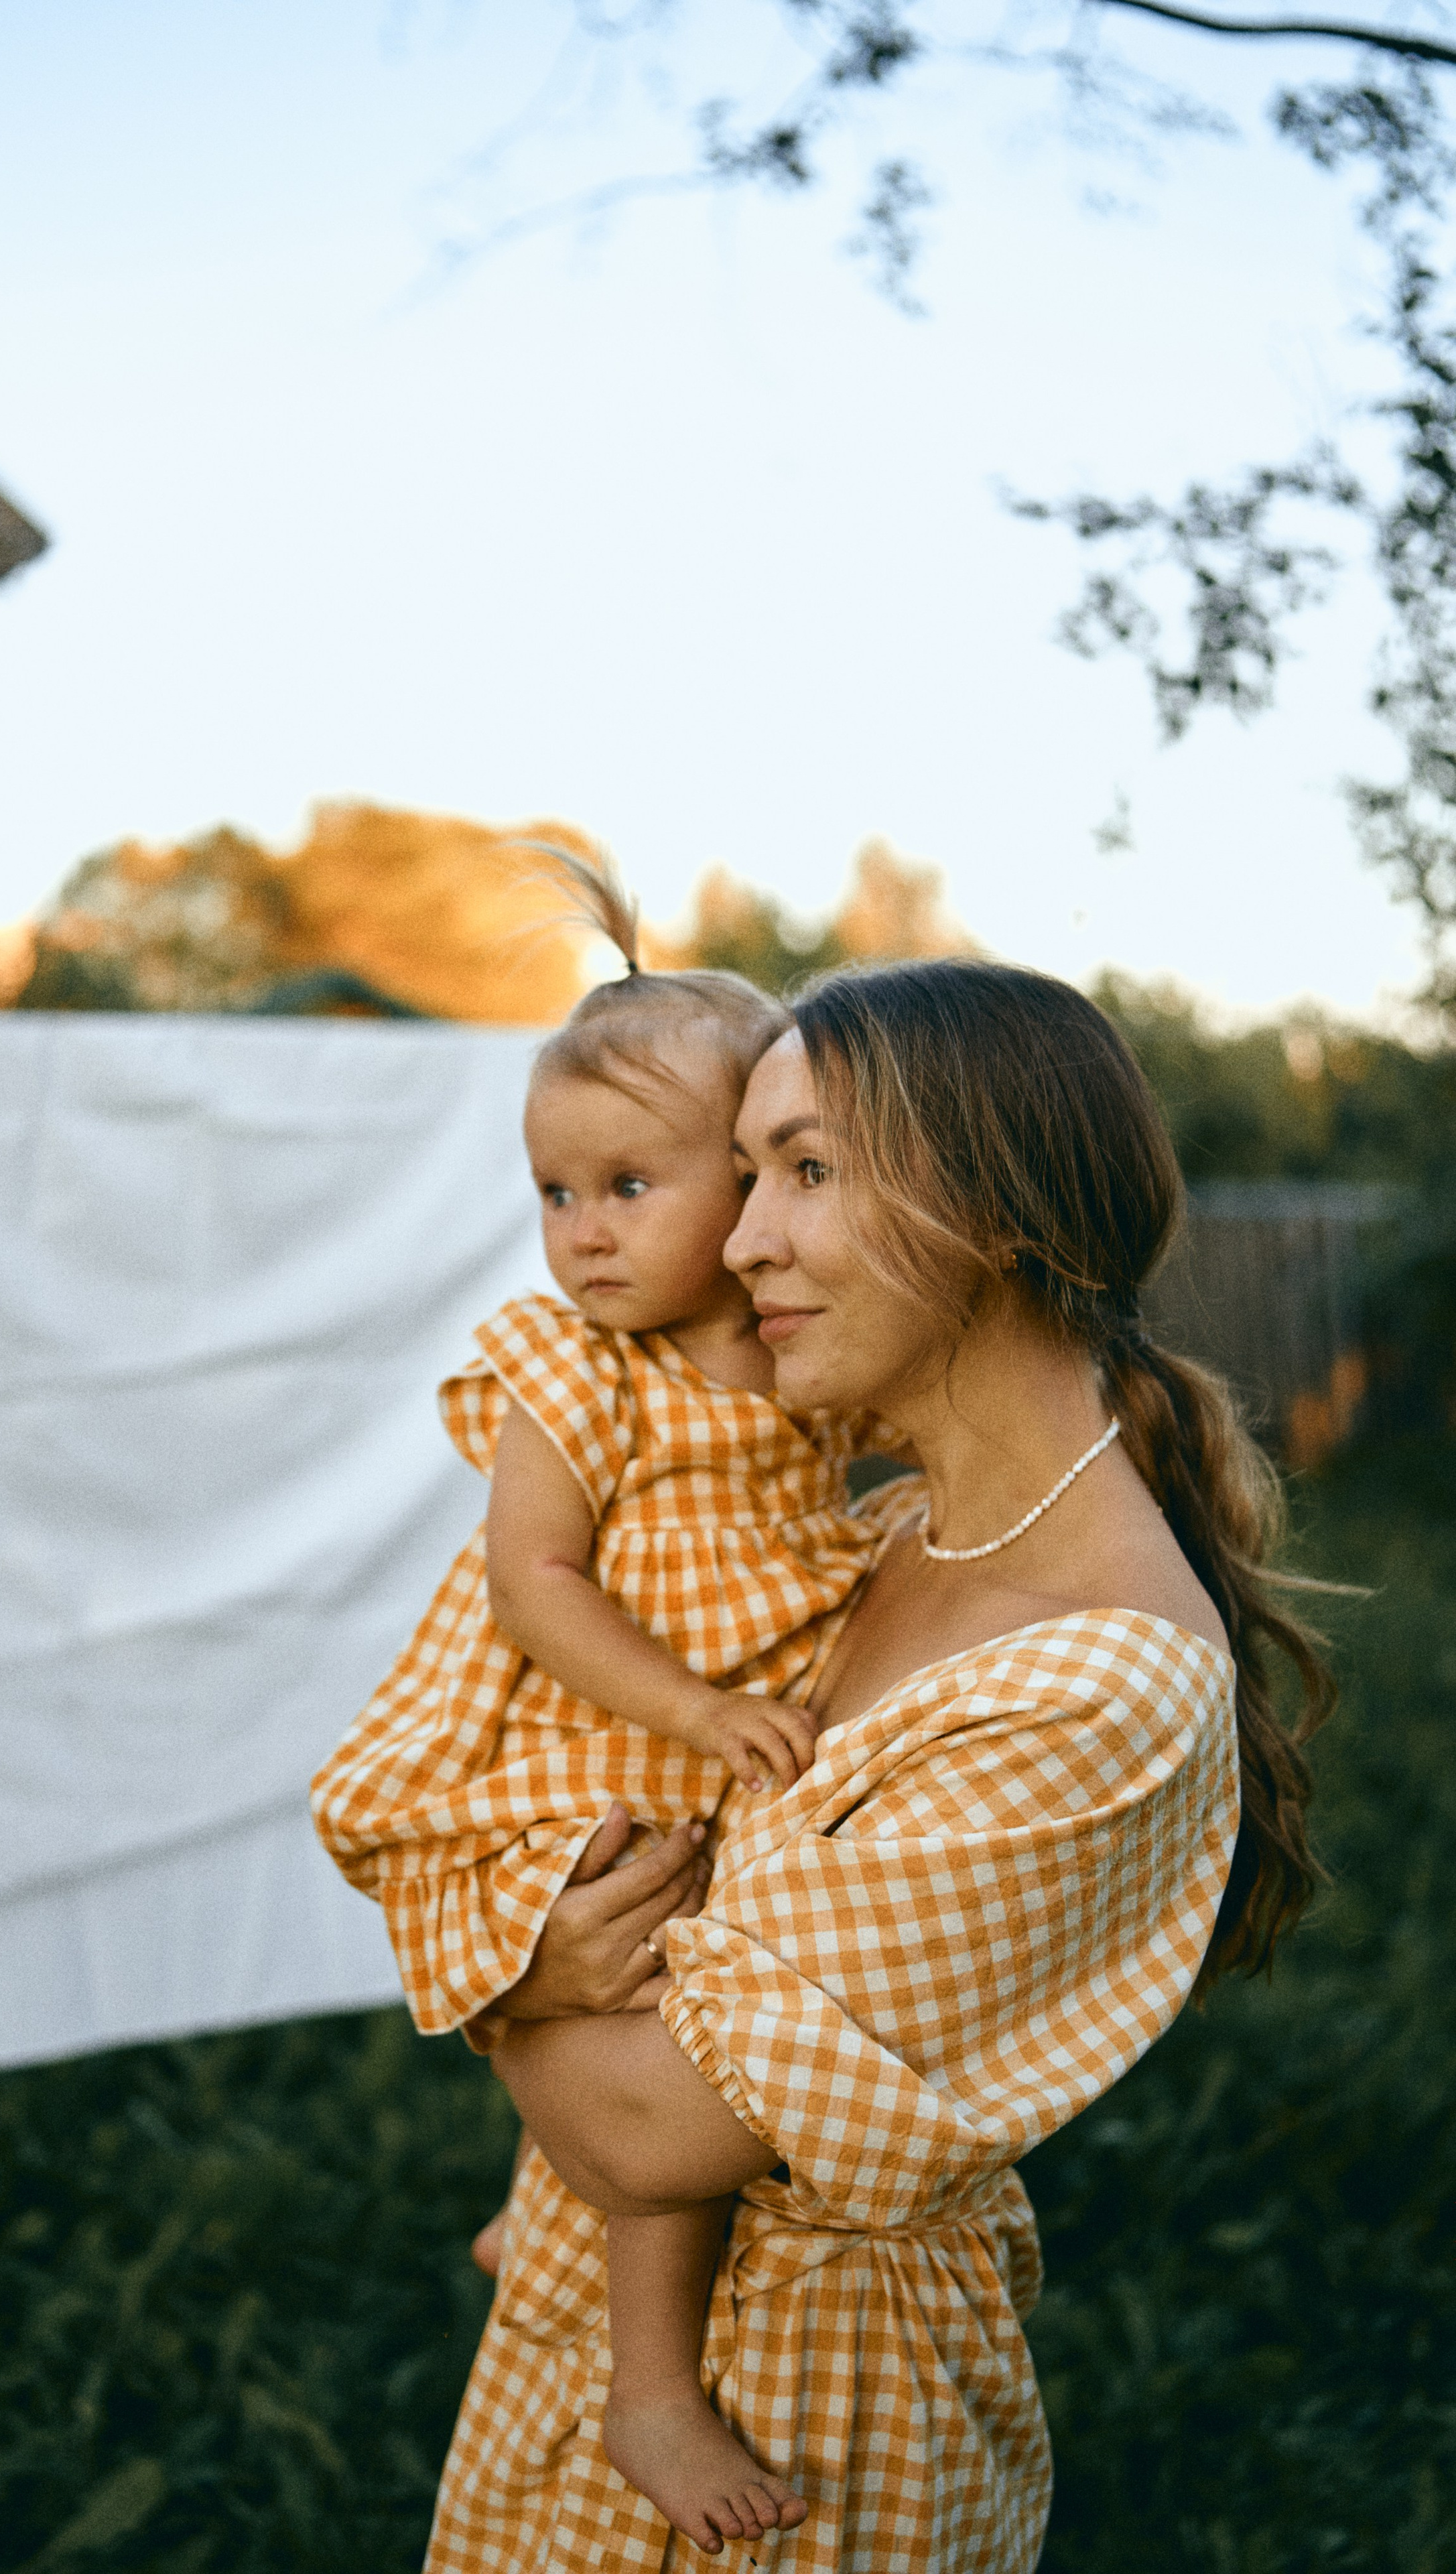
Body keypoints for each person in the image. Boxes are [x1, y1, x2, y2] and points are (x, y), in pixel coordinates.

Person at [420, 958, 1331, 2573]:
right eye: (749, 1167)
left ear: (992, 1210)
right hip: (573, 2375)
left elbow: (644, 2131)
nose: (743, 1236)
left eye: (810, 1170)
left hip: (805, 2444)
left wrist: (483, 1939)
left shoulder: (1096, 1684)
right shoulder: (885, 1541)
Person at [310, 861, 893, 2549]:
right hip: (585, 1752)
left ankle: (534, 2199)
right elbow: (537, 1584)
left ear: (756, 1178)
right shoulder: (570, 1371)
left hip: (701, 1761)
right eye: (554, 1191)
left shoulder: (797, 1366)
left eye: (626, 1185)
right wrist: (701, 1713)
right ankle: (650, 2386)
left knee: (682, 2023)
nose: (580, 1231)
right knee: (655, 2037)